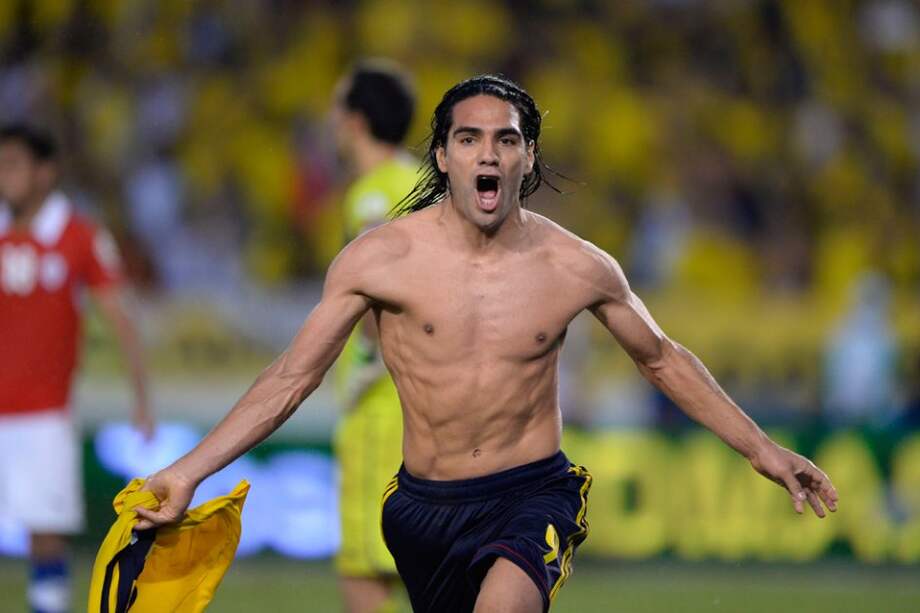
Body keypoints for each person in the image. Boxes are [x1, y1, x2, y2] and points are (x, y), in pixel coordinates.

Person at [135, 76, 838, 613]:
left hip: (532, 494)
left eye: (506, 138)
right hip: (419, 508)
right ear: (442, 155)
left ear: (528, 155)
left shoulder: (578, 267)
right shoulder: (378, 259)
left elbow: (661, 357)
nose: (488, 152)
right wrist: (192, 469)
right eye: (469, 138)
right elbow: (292, 375)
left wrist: (762, 448)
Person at [0, 124, 153, 613]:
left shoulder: (78, 235)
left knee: (44, 533)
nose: (4, 177)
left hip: (43, 412)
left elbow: (120, 317)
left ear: (45, 173)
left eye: (13, 166)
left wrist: (141, 397)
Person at [328, 60, 418, 613]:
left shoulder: (371, 196)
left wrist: (365, 356)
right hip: (426, 406)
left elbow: (373, 294)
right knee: (429, 567)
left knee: (362, 574)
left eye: (337, 109)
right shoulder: (422, 183)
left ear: (356, 121)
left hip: (380, 407)